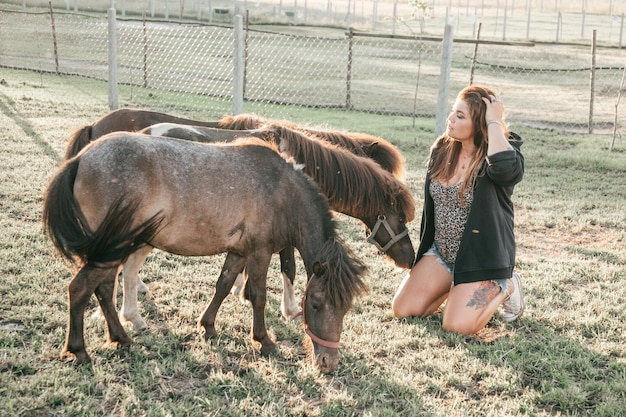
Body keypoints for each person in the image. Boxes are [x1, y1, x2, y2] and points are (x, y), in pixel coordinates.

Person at [392, 85, 525, 336]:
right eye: (453, 112)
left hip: (481, 260)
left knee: (456, 326)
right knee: (403, 309)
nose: (450, 119)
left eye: (460, 116)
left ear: (480, 124)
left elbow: (506, 170)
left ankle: (506, 285)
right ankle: (456, 287)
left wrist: (494, 120)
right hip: (442, 253)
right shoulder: (442, 149)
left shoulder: (501, 152)